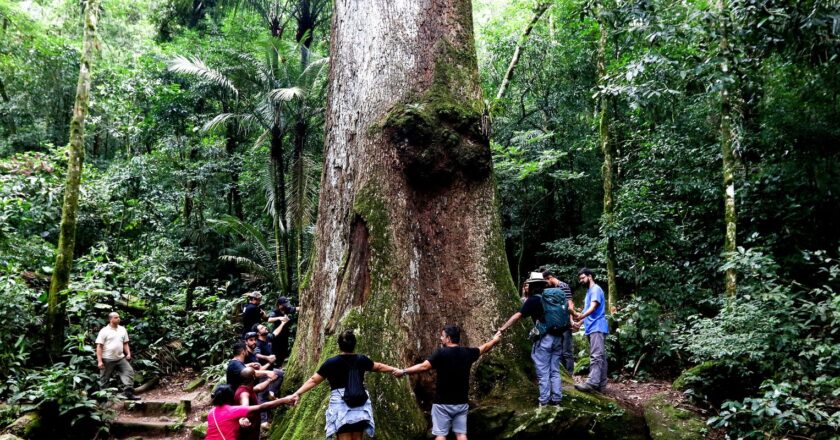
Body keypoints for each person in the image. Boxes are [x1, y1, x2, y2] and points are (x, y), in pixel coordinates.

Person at [393, 325, 502, 440]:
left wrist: (403, 371)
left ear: (448, 338)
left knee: (441, 435)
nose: (440, 338)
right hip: (461, 403)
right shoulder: (468, 353)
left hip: (442, 404)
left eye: (442, 336)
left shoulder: (441, 353)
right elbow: (485, 347)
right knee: (461, 435)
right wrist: (495, 340)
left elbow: (424, 366)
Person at [289, 330, 401, 440]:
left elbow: (314, 380)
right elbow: (379, 367)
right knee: (357, 436)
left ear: (339, 345)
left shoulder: (331, 362)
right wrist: (394, 369)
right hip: (360, 402)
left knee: (344, 435)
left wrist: (297, 393)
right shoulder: (362, 359)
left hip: (341, 404)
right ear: (354, 344)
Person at [497, 272, 564, 406]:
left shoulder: (533, 300)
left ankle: (544, 401)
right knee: (555, 370)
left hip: (544, 339)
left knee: (543, 371)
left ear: (532, 286)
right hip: (558, 337)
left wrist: (502, 328)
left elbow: (518, 316)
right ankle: (556, 399)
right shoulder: (553, 297)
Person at [206, 384, 294, 440]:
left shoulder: (211, 413)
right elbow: (261, 407)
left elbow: (225, 423)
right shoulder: (232, 411)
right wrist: (283, 400)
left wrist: (239, 420)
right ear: (230, 397)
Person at [574, 268, 609, 393]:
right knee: (601, 357)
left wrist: (581, 316)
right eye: (580, 279)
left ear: (590, 276)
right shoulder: (589, 291)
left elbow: (593, 307)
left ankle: (592, 383)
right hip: (592, 327)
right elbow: (586, 311)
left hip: (597, 326)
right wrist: (579, 322)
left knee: (596, 356)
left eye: (583, 278)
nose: (581, 281)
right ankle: (601, 386)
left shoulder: (595, 289)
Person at [541, 267, 578, 375]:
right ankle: (564, 375)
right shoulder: (552, 289)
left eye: (545, 281)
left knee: (567, 351)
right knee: (559, 351)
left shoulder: (563, 286)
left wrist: (571, 320)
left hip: (565, 323)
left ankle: (570, 374)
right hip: (557, 324)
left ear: (550, 278)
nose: (546, 284)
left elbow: (570, 304)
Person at [95, 312, 139, 400]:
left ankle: (128, 393)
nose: (118, 319)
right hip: (107, 359)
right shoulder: (104, 331)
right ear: (110, 319)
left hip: (120, 358)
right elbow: (99, 346)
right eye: (116, 317)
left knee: (129, 372)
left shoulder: (122, 329)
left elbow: (125, 343)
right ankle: (103, 399)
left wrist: (128, 353)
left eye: (118, 317)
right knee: (104, 379)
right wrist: (99, 361)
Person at [233, 367, 272, 440]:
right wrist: (243, 417)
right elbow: (245, 406)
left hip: (253, 427)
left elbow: (259, 388)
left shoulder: (246, 388)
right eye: (255, 373)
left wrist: (269, 380)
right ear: (253, 377)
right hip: (249, 430)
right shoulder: (244, 394)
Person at [267, 297, 299, 366]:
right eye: (283, 305)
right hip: (277, 334)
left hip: (285, 335)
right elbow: (269, 319)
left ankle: (280, 365)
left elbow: (296, 308)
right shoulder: (275, 311)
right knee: (276, 351)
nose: (285, 306)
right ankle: (276, 366)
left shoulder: (287, 309)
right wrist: (279, 318)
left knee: (284, 351)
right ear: (279, 304)